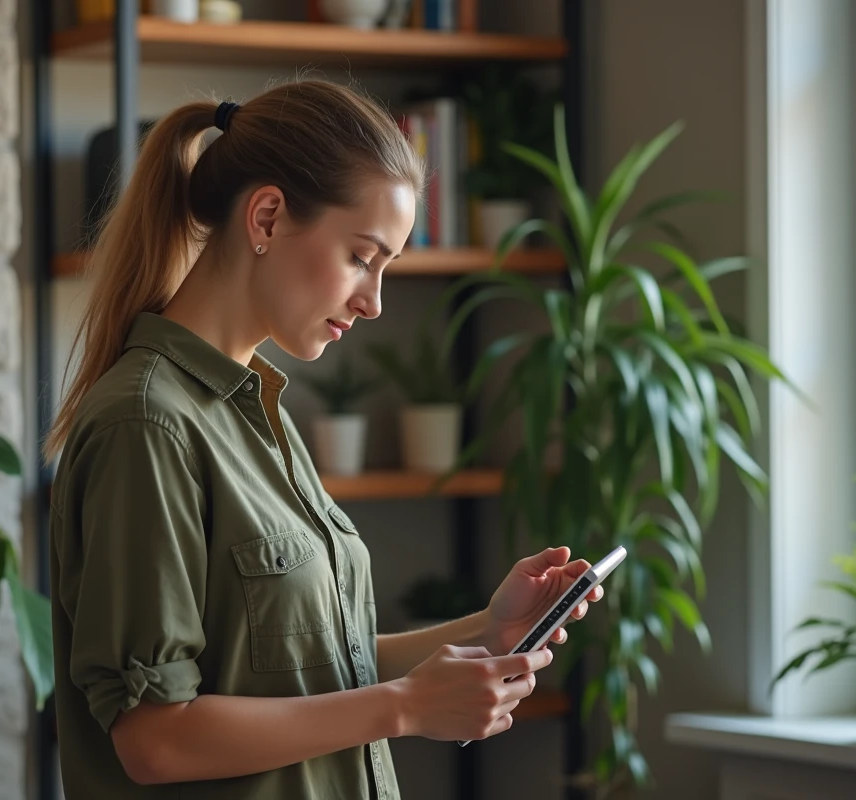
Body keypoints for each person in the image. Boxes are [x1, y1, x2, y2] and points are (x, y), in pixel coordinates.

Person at [43, 79, 603, 800]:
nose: (373, 302)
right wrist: (404, 709)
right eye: (362, 257)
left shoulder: (258, 410)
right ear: (268, 217)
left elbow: (309, 671)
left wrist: (487, 631)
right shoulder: (147, 426)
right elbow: (155, 739)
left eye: (386, 267)